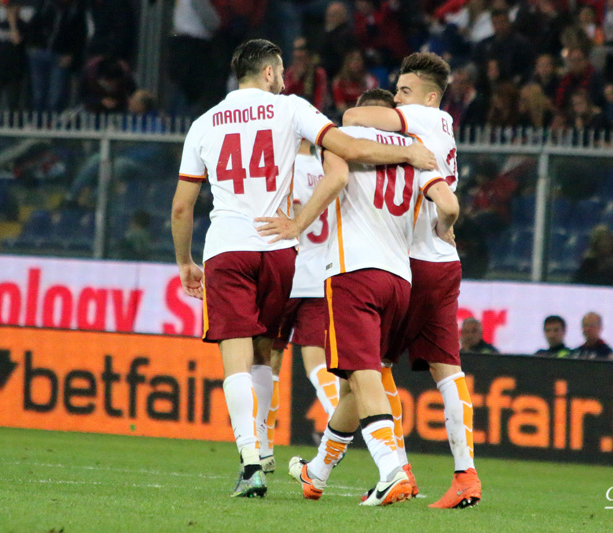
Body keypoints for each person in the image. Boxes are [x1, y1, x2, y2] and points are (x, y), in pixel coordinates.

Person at [171, 39, 435, 499]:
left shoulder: (203, 123)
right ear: (270, 73)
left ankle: (252, 458)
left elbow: (181, 208)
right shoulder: (290, 109)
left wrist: (185, 263)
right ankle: (270, 449)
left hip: (227, 247)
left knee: (238, 356)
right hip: (279, 250)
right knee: (265, 350)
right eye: (282, 72)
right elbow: (348, 147)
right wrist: (408, 154)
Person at [257, 124, 457, 506]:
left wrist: (297, 225)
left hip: (348, 272)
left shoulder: (340, 149)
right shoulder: (417, 151)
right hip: (400, 278)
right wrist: (443, 229)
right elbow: (448, 205)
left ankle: (392, 469)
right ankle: (317, 472)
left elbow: (338, 174)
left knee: (350, 374)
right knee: (351, 381)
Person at [342, 52, 482, 508]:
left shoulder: (414, 117)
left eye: (403, 89)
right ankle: (466, 476)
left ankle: (396, 472)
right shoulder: (443, 125)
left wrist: (443, 222)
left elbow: (352, 114)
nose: (396, 97)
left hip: (415, 261)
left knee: (374, 366)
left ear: (428, 95)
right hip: (447, 264)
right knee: (449, 371)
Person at [260, 139, 341, 472]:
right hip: (320, 276)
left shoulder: (283, 167)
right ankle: (339, 434)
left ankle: (264, 450)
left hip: (286, 271)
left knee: (269, 359)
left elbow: (281, 213)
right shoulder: (330, 169)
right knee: (317, 364)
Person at [27, 0, 87, 113]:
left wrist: (72, 54)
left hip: (60, 56)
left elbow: (80, 35)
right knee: (38, 95)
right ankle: (38, 125)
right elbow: (34, 23)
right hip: (39, 53)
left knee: (56, 97)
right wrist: (32, 46)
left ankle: (52, 126)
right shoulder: (45, 4)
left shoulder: (76, 9)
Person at [0, 0, 27, 110]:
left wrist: (13, 23)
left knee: (13, 103)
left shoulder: (23, 25)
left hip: (14, 71)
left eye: (14, 8)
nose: (11, 10)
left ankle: (12, 126)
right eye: (9, 8)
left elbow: (17, 40)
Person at [283, 37, 329, 112]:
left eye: (301, 49)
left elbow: (320, 100)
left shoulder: (318, 72)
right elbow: (285, 97)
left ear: (308, 52)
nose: (297, 54)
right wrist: (296, 80)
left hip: (313, 115)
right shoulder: (289, 72)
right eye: (295, 49)